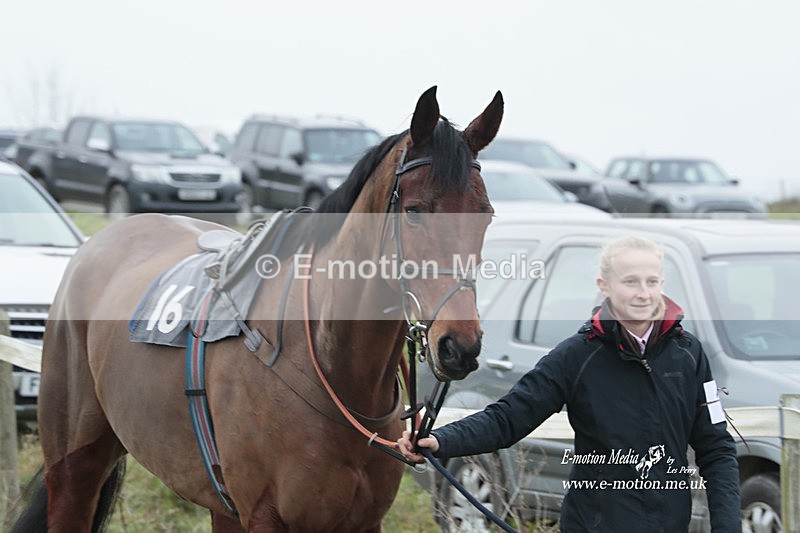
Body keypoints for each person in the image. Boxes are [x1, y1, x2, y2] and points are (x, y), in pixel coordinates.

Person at [398, 235, 741, 532]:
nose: (643, 293)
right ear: (604, 286)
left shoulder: (689, 354)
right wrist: (440, 440)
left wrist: (727, 528)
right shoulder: (577, 356)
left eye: (652, 282)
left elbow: (717, 450)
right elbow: (509, 418)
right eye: (630, 281)